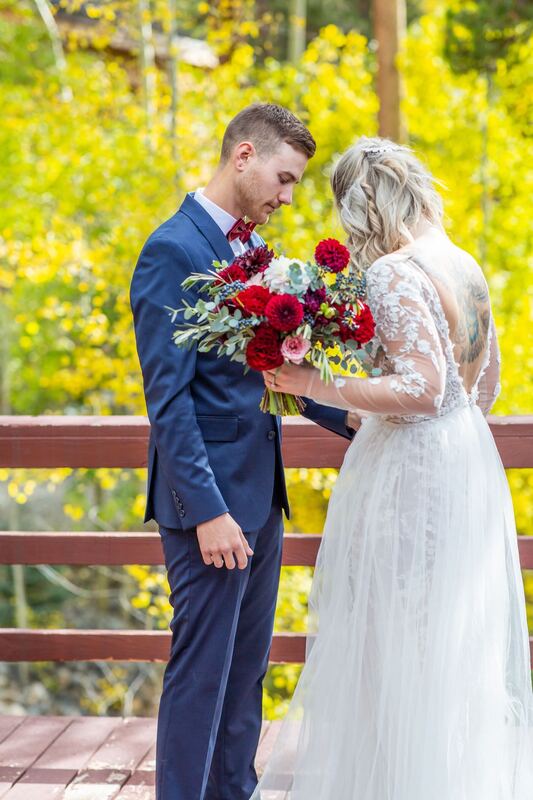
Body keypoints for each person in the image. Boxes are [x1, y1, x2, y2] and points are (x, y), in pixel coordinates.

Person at [257, 136, 533, 799]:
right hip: (464, 460)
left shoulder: (392, 271)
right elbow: (480, 386)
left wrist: (315, 383)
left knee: (393, 640)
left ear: (360, 207)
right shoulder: (460, 262)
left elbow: (421, 388)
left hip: (412, 473)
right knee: (446, 641)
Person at [129, 103, 354, 800]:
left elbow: (271, 375)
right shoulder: (174, 249)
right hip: (213, 510)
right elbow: (169, 402)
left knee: (246, 671)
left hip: (262, 496)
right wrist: (206, 512)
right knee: (201, 674)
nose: (287, 198)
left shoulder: (250, 252)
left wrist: (368, 419)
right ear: (243, 156)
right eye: (283, 180)